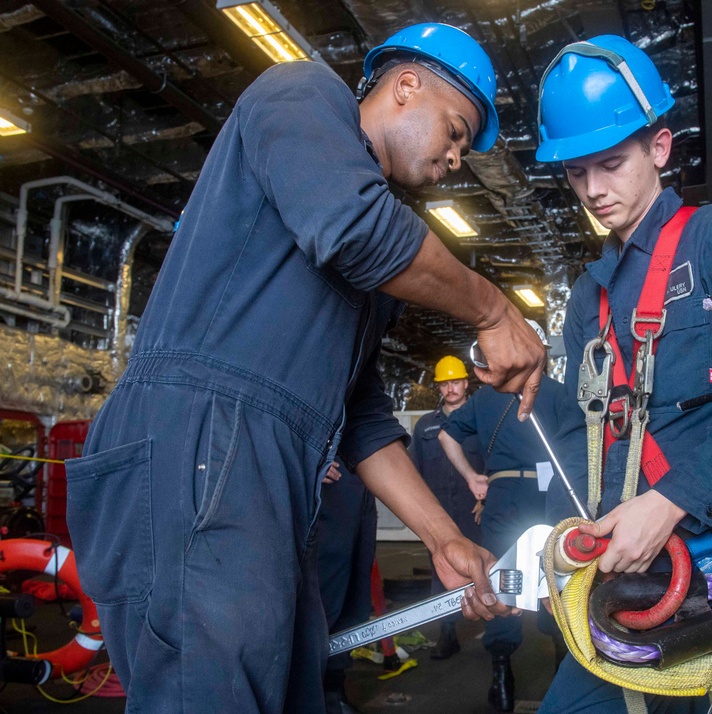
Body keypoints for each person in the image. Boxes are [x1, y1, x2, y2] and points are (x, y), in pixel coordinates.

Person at [63, 23, 547, 713]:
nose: (456, 157)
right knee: (209, 695)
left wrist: (445, 537)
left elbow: (364, 421)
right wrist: (494, 312)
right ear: (406, 86)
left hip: (269, 469)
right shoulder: (301, 94)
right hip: (196, 438)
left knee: (287, 690)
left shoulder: (375, 278)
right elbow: (353, 228)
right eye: (456, 130)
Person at [535, 36, 712, 713]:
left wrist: (669, 502)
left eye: (610, 164)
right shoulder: (588, 296)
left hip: (692, 560)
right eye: (575, 173)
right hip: (614, 563)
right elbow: (583, 433)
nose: (592, 190)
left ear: (659, 148)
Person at [439, 374, 565, 712]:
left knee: (500, 576)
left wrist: (472, 478)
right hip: (550, 497)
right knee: (556, 578)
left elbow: (446, 434)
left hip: (503, 496)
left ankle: (501, 677)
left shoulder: (484, 398)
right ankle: (563, 672)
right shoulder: (556, 391)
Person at [408, 355, 485, 660]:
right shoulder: (426, 426)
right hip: (440, 513)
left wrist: (484, 500)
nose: (451, 388)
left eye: (456, 381)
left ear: (466, 383)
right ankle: (447, 633)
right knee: (441, 572)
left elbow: (495, 462)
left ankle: (495, 630)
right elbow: (413, 470)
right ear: (439, 387)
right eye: (445, 383)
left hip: (474, 511)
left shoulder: (481, 420)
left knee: (482, 566)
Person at [316, 460, 377, 714]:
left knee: (356, 592)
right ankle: (318, 690)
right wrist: (305, 459)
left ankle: (334, 687)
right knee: (325, 591)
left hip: (359, 481)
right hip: (324, 485)